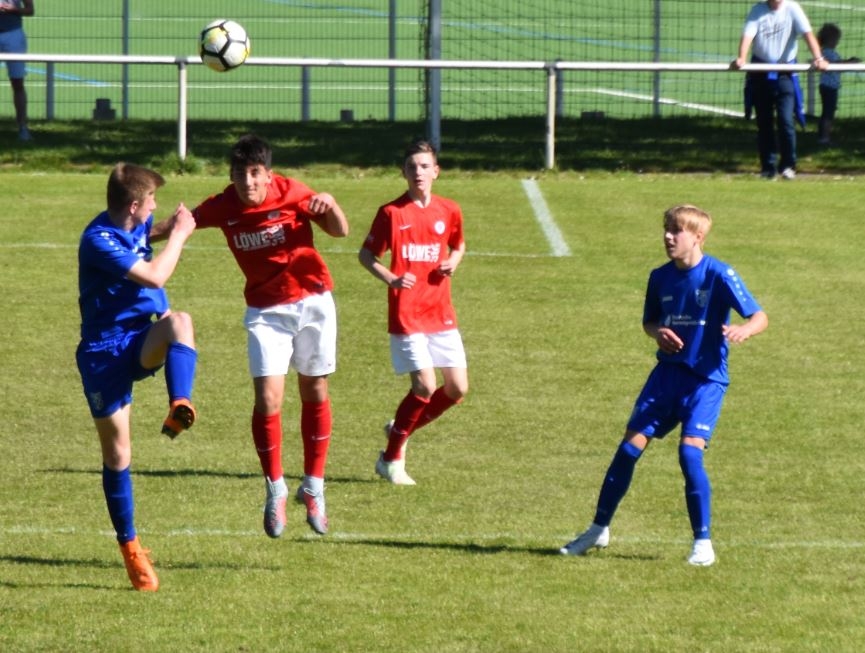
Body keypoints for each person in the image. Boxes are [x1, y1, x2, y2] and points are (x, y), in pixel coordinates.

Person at [560, 205, 768, 567]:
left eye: (676, 231)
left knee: (689, 454)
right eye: (666, 230)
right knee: (628, 450)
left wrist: (744, 330)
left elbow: (759, 315)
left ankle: (703, 543)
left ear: (698, 237)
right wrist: (659, 334)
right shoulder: (659, 277)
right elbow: (650, 322)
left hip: (705, 381)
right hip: (666, 377)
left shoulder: (719, 274)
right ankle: (598, 529)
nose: (668, 237)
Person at [188, 134, 348, 538]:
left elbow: (339, 231)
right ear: (231, 175)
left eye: (255, 173)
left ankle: (314, 486)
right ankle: (275, 489)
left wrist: (331, 204)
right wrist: (133, 233)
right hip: (265, 312)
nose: (248, 181)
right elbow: (184, 223)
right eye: (240, 173)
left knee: (315, 389)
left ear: (268, 174)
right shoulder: (223, 205)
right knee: (268, 398)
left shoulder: (292, 192)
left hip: (313, 301)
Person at [76, 163, 198, 592]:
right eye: (151, 202)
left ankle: (179, 404)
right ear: (133, 206)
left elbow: (149, 231)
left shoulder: (130, 224)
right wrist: (179, 236)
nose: (154, 207)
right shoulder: (97, 240)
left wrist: (178, 222)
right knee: (118, 454)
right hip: (102, 355)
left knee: (180, 322)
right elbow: (156, 274)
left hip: (138, 338)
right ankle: (131, 548)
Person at [358, 139, 468, 486]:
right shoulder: (391, 213)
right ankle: (391, 460)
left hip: (441, 311)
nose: (418, 172)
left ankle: (400, 431)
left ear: (436, 171)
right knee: (425, 386)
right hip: (407, 313)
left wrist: (453, 261)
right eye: (411, 167)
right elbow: (366, 255)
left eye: (424, 166)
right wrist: (391, 278)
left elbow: (459, 244)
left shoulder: (449, 210)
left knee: (457, 389)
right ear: (403, 173)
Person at [731, 0, 828, 180]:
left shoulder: (793, 8)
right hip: (761, 73)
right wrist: (741, 58)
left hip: (785, 74)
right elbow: (748, 35)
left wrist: (819, 58)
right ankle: (768, 168)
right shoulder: (758, 10)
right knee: (764, 123)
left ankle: (788, 165)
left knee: (786, 120)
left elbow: (807, 34)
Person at [816, 23, 860, 146]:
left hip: (827, 86)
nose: (837, 42)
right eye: (836, 39)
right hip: (829, 87)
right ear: (830, 39)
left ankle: (823, 136)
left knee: (827, 111)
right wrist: (850, 62)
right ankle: (824, 138)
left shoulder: (825, 52)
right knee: (828, 113)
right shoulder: (828, 53)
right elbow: (837, 65)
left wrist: (849, 62)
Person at [0, 0, 33, 140]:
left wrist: (14, 9)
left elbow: (30, 10)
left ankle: (23, 127)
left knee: (18, 83)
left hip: (13, 35)